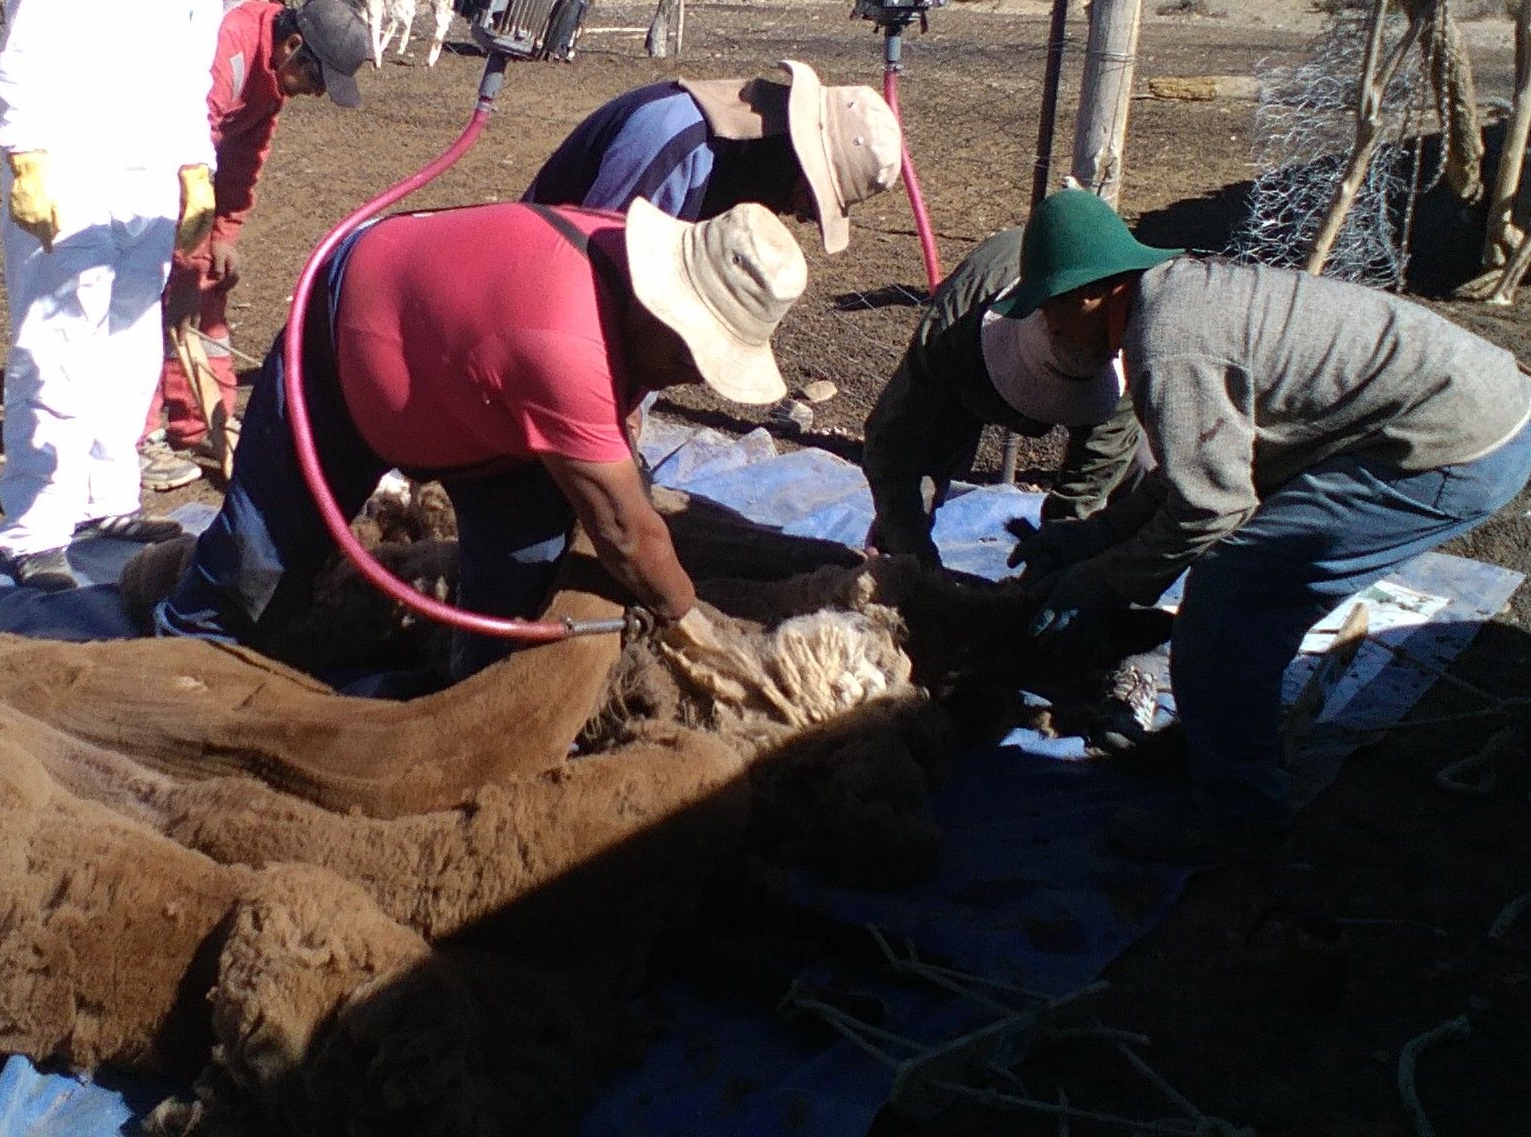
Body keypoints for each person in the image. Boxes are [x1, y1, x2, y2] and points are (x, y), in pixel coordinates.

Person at [996, 189, 1531, 860]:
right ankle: (1214, 745)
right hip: (1448, 411)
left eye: (1048, 310)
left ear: (1086, 295)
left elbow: (1209, 509)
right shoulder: (1171, 300)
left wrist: (1092, 584)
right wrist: (1091, 536)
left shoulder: (1165, 343)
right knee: (1240, 591)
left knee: (1235, 593)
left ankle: (1237, 817)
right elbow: (1195, 471)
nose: (1049, 329)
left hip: (1450, 445)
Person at [154, 197, 808, 679]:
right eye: (694, 355)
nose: (693, 376)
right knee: (260, 557)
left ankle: (467, 687)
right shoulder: (565, 349)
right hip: (344, 344)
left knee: (522, 573)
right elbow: (625, 533)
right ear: (666, 314)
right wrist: (688, 619)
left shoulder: (618, 254)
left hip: (481, 388)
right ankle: (175, 668)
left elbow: (617, 411)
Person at [0, 0, 253, 590]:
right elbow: (23, 48)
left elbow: (189, 74)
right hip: (71, 164)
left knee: (131, 339)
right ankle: (33, 528)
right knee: (56, 345)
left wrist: (194, 165)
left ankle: (107, 499)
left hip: (148, 177)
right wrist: (25, 153)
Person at [139, 0, 375, 492]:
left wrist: (222, 233)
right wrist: (186, 265)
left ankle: (202, 421)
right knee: (140, 302)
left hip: (190, 178)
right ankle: (134, 440)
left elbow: (245, 154)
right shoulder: (227, 49)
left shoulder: (270, 76)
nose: (313, 94)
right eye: (316, 80)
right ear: (293, 46)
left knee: (208, 295)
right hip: (144, 167)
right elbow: (186, 151)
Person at [862, 226, 1143, 567]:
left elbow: (1090, 481)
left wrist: (1056, 561)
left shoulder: (1128, 351)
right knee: (911, 498)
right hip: (971, 358)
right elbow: (893, 443)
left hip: (1107, 401)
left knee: (1135, 486)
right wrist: (909, 549)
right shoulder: (953, 330)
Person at [523, 63, 901, 249]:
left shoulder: (732, 159)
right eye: (809, 197)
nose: (796, 214)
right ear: (797, 157)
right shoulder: (677, 144)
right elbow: (597, 274)